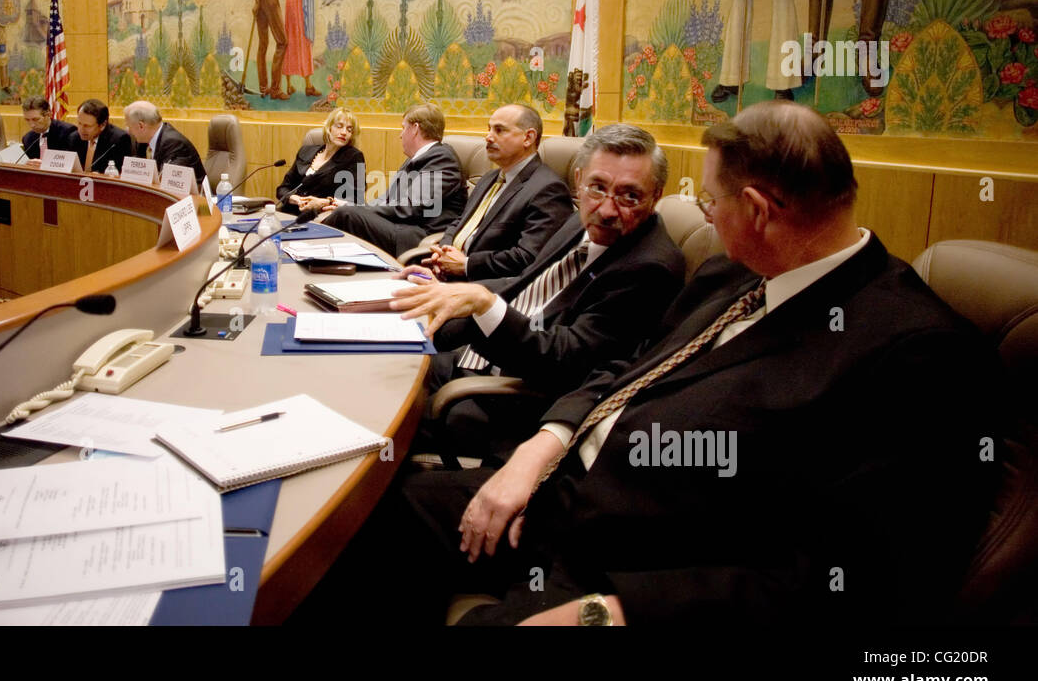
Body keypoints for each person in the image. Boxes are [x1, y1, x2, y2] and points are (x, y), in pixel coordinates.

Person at [321, 101, 997, 625]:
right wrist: (539, 451)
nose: (701, 217)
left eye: (710, 201)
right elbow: (625, 371)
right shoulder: (736, 274)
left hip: (636, 569)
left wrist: (617, 611)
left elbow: (858, 580)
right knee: (366, 521)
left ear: (757, 210)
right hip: (559, 493)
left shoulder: (917, 355)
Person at [393, 124, 685, 459]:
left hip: (512, 400)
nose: (606, 210)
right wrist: (451, 291)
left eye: (629, 195)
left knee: (383, 428)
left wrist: (484, 304)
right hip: (480, 353)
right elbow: (526, 283)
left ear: (656, 195)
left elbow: (566, 359)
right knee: (384, 369)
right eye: (597, 187)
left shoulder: (650, 268)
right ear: (578, 180)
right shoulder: (579, 220)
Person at [421, 105, 573, 282]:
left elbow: (529, 258)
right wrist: (444, 252)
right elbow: (460, 222)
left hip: (486, 290)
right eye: (489, 129)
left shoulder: (548, 189)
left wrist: (466, 265)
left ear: (528, 137)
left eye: (499, 130)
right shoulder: (489, 178)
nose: (488, 137)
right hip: (447, 276)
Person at [325, 104, 468, 257]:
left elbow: (407, 207)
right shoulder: (415, 159)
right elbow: (387, 198)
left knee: (347, 215)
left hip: (416, 235)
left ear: (415, 129)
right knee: (346, 211)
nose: (400, 135)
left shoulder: (443, 159)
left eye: (403, 128)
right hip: (400, 226)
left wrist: (355, 209)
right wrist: (354, 205)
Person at [277, 107, 367, 211]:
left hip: (323, 215)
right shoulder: (305, 151)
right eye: (339, 126)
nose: (344, 132)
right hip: (291, 210)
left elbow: (356, 200)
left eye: (349, 130)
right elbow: (282, 189)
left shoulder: (354, 157)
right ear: (329, 128)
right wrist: (295, 199)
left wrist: (324, 202)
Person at [122, 100, 206, 181]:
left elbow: (169, 182)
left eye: (129, 126)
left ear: (141, 126)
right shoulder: (142, 141)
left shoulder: (174, 144)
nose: (128, 131)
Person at [72, 99, 131, 175]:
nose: (81, 130)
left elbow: (121, 173)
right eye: (79, 123)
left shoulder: (118, 140)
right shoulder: (74, 137)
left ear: (102, 125)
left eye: (87, 126)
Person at [20, 95, 77, 160]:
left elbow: (70, 163)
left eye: (36, 119)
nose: (32, 125)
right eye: (27, 120)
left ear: (49, 114)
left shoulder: (68, 133)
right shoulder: (28, 139)